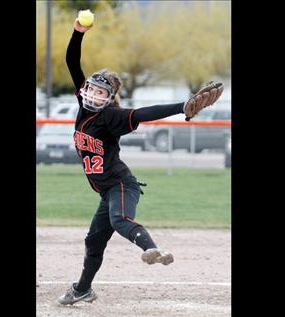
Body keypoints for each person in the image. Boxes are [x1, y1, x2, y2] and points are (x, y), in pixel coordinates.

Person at [58, 16, 224, 306]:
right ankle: (82, 289)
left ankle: (152, 249)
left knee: (120, 219)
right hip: (105, 190)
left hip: (121, 185)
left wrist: (181, 106)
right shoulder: (84, 109)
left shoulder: (111, 116)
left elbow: (147, 112)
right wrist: (78, 32)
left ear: (109, 99)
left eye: (101, 92)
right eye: (92, 89)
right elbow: (72, 60)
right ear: (85, 90)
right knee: (94, 242)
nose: (94, 94)